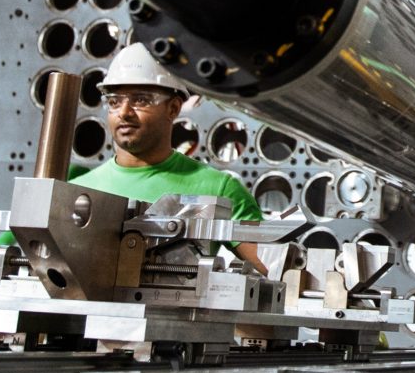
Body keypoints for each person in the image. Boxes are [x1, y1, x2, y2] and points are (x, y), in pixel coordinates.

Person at [50, 43, 264, 267]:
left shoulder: (220, 189)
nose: (123, 112)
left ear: (173, 108)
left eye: (140, 100)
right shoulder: (76, 190)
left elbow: (277, 268)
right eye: (114, 101)